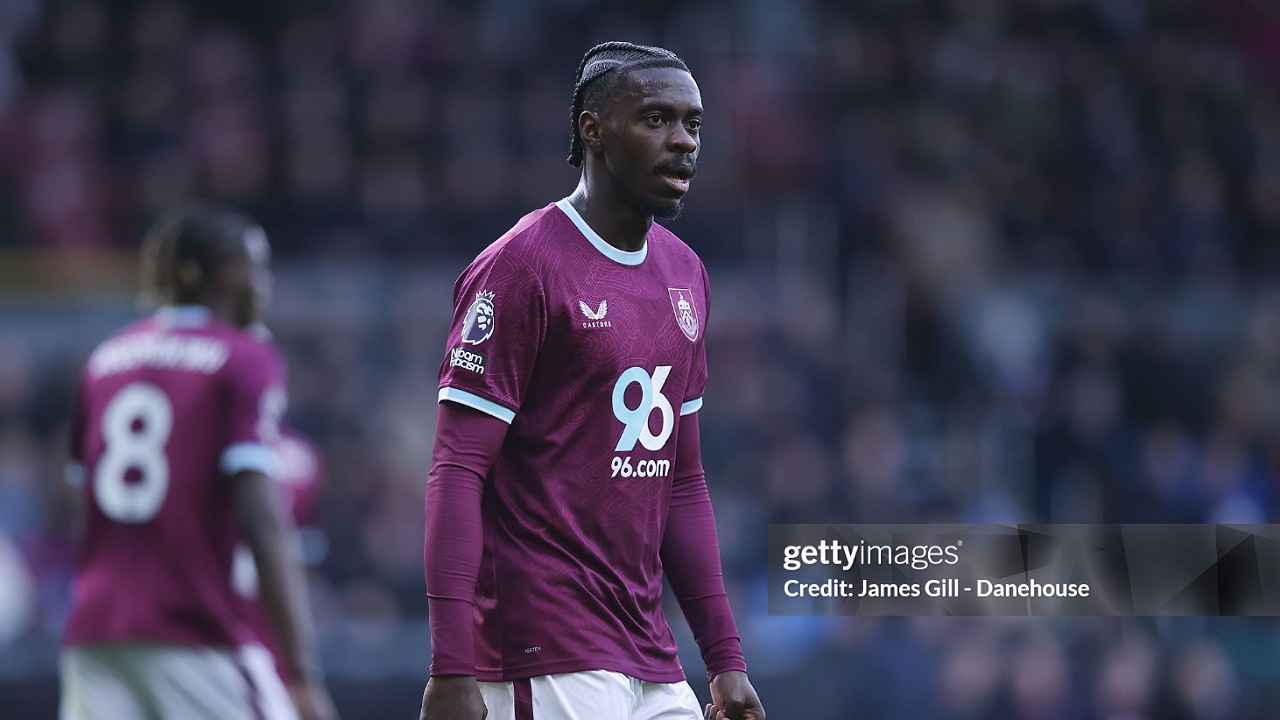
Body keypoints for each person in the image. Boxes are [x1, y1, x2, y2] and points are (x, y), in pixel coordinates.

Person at [419, 42, 765, 720]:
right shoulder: (523, 266)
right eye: (657, 119)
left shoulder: (685, 273)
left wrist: (725, 661)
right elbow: (457, 469)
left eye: (693, 125)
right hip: (540, 650)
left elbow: (682, 485)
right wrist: (452, 668)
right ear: (594, 130)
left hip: (649, 654)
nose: (682, 142)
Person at [61, 204, 338, 720]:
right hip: (193, 628)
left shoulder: (103, 360)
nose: (265, 285)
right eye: (258, 267)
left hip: (94, 633)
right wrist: (300, 673)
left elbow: (81, 506)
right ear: (228, 275)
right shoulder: (243, 356)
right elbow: (263, 517)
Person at [233, 422, 328, 683]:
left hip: (261, 611)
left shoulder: (301, 456)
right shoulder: (301, 456)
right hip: (222, 610)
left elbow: (305, 547)